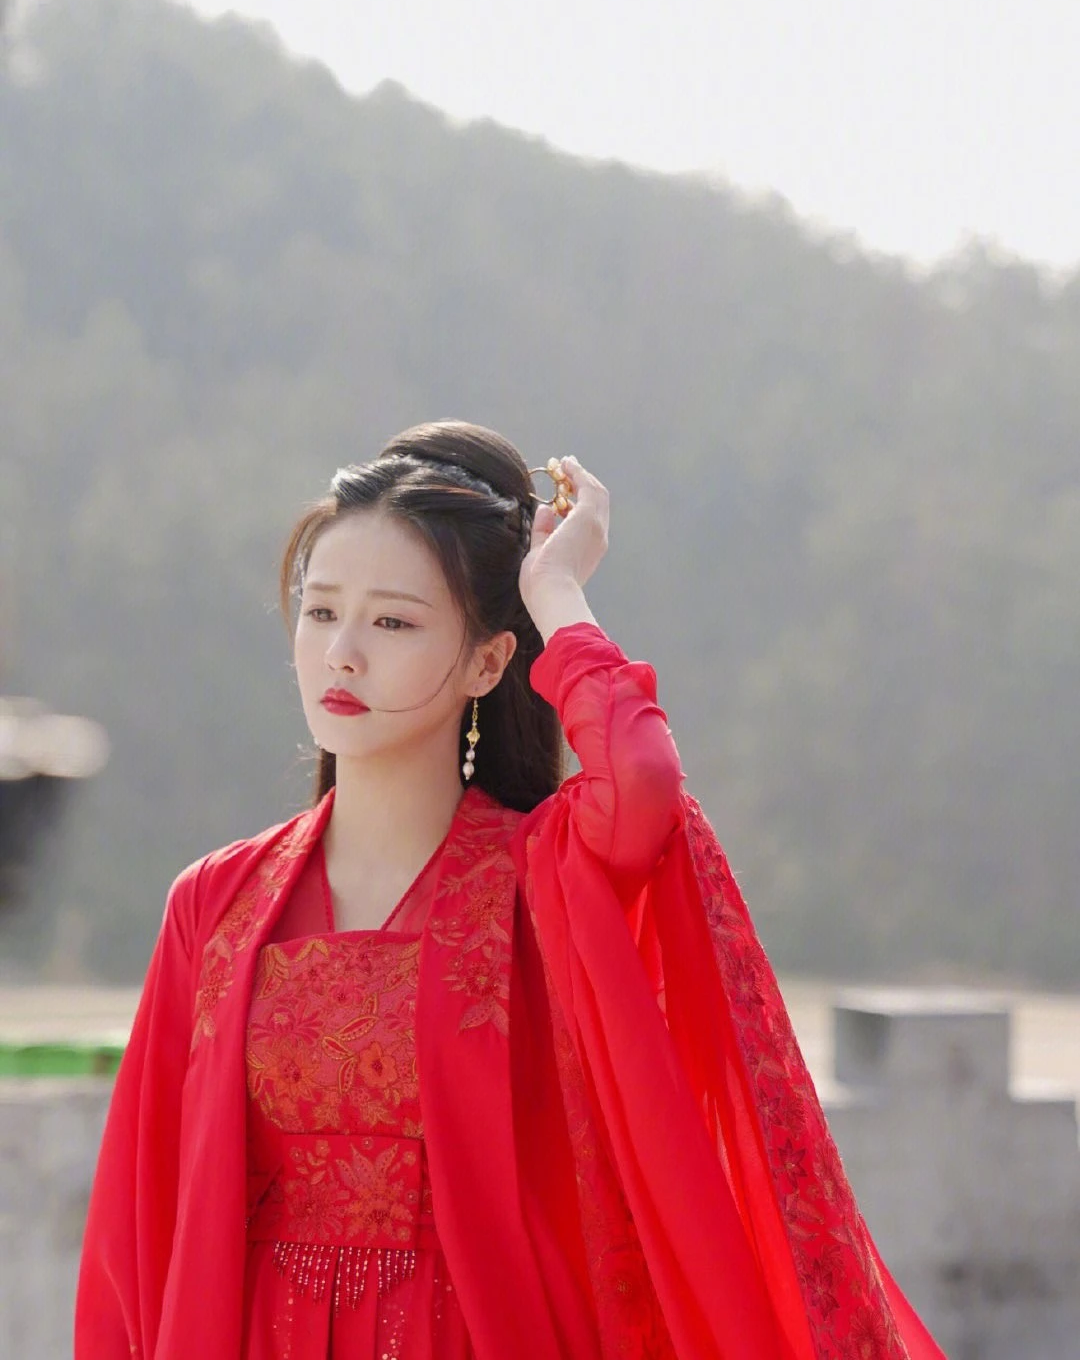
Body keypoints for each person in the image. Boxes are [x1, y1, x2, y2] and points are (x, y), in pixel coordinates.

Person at [76, 421, 945, 1360]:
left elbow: (643, 780)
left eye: (393, 622)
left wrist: (557, 591)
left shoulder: (539, 880)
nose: (342, 653)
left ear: (489, 662)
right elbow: (135, 1224)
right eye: (320, 611)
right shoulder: (216, 903)